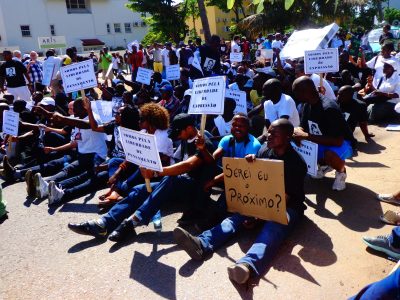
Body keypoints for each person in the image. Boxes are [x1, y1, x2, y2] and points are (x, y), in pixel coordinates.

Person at [173, 119, 307, 284]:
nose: (268, 135)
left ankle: (247, 266)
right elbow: (256, 185)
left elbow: (284, 199)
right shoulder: (265, 151)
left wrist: (259, 216)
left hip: (289, 205)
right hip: (264, 200)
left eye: (274, 133)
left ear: (287, 138)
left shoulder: (297, 163)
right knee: (236, 216)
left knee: (273, 227)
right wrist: (251, 207)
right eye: (269, 131)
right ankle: (202, 242)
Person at [67, 113, 216, 242]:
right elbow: (178, 161)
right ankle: (104, 223)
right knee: (139, 189)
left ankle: (133, 221)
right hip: (179, 185)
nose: (177, 136)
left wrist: (157, 172)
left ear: (189, 128)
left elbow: (189, 165)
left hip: (196, 191)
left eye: (179, 132)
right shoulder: (186, 140)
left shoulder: (203, 141)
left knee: (172, 178)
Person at [292, 76, 353, 191]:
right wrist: (297, 131)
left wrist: (307, 136)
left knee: (329, 154)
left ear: (306, 92)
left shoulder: (329, 108)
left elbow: (338, 141)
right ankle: (323, 165)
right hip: (321, 140)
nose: (295, 96)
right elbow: (303, 127)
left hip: (343, 143)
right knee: (296, 142)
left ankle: (341, 172)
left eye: (296, 92)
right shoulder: (307, 105)